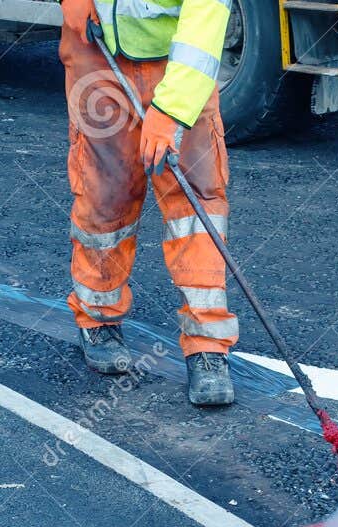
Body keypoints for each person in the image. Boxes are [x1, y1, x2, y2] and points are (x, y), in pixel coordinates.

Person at [61, 0, 238, 406]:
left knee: (196, 202)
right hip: (96, 51)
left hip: (177, 61)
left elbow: (207, 11)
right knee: (105, 193)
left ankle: (207, 344)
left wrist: (172, 108)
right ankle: (97, 316)